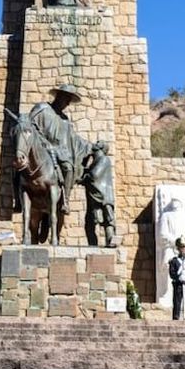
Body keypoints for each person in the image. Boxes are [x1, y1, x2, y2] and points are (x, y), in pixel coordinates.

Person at [29, 83, 91, 214]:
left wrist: (90, 146)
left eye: (69, 101)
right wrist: (42, 141)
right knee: (20, 166)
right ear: (59, 96)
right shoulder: (42, 108)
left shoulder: (64, 119)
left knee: (68, 167)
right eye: (67, 99)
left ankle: (65, 200)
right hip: (40, 147)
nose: (68, 104)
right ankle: (18, 199)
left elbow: (74, 139)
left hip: (59, 151)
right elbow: (30, 125)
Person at [82, 140, 116, 247]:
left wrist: (84, 176)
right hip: (94, 197)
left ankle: (110, 242)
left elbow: (94, 175)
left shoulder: (104, 160)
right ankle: (93, 246)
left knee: (108, 220)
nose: (93, 145)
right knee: (89, 224)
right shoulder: (95, 162)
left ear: (100, 148)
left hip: (102, 196)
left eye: (97, 143)